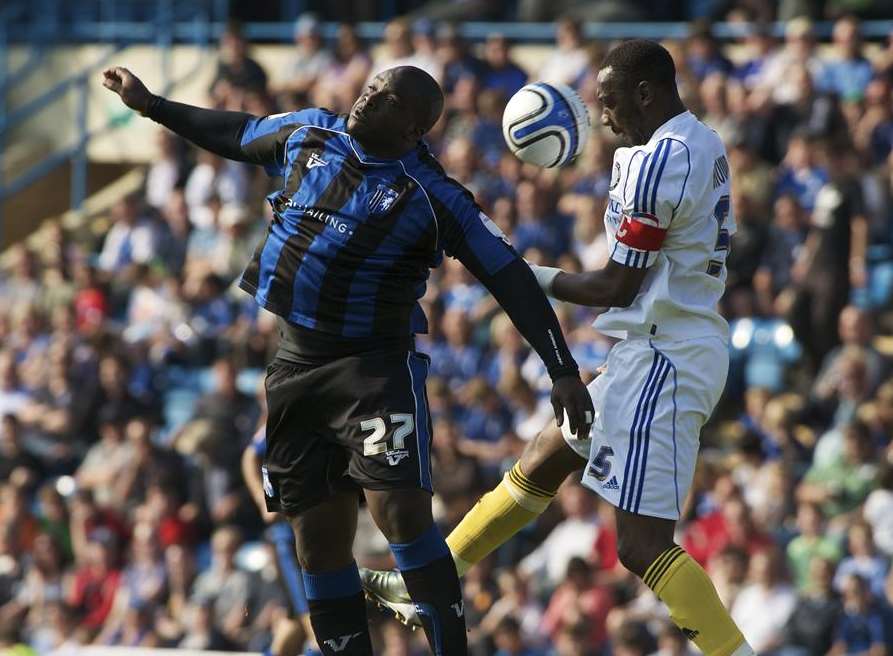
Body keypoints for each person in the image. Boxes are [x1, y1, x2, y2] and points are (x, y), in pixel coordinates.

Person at [102, 63, 592, 656]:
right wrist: (152, 103)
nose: (368, 97)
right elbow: (238, 133)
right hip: (293, 368)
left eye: (386, 98)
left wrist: (561, 367)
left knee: (403, 516)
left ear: (413, 129)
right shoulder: (311, 132)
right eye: (370, 87)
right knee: (317, 543)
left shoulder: (433, 196)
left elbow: (509, 275)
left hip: (373, 371)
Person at [363, 39, 756, 656]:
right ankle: (425, 584)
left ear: (646, 92)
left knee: (641, 545)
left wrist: (521, 275)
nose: (602, 114)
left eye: (610, 100)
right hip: (656, 347)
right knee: (549, 453)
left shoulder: (661, 159)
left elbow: (616, 283)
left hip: (667, 356)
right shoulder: (694, 142)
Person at [241, 422, 318, 656]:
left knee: (293, 626)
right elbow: (250, 457)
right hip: (289, 538)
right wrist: (260, 497)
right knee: (317, 628)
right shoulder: (287, 410)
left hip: (317, 532)